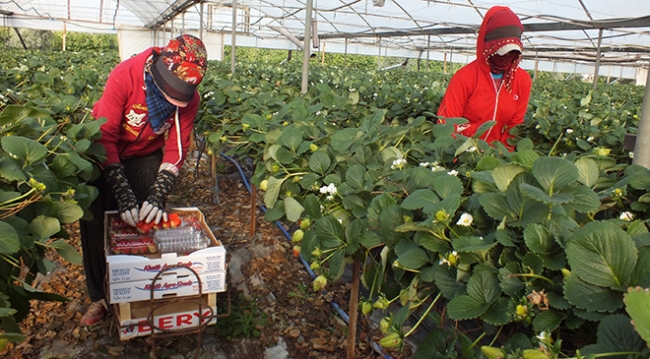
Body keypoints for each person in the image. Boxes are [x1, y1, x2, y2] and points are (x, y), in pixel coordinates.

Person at [79, 34, 208, 326]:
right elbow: (106, 135)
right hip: (101, 149)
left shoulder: (190, 99)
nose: (174, 100)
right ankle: (99, 297)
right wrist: (119, 187)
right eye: (170, 92)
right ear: (158, 70)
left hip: (144, 153)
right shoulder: (125, 75)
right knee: (95, 219)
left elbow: (177, 144)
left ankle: (137, 287)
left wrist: (160, 189)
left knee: (144, 219)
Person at [437, 6, 532, 148]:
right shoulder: (465, 77)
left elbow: (514, 125)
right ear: (487, 45)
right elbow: (447, 121)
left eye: (512, 52)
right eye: (501, 51)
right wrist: (463, 145)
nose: (506, 57)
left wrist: (502, 154)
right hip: (463, 151)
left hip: (495, 156)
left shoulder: (521, 80)